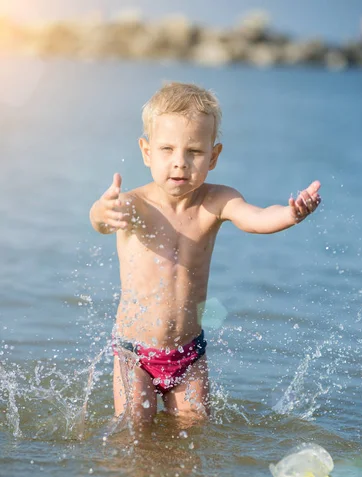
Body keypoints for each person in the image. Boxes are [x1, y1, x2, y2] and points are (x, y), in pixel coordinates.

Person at [89, 82, 321, 423]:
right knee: (134, 430)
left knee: (195, 430)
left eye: (194, 152)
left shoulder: (217, 201)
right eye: (167, 149)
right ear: (147, 151)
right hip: (133, 353)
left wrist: (292, 213)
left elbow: (256, 219)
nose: (180, 163)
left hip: (189, 354)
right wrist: (103, 211)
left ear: (213, 156)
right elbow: (100, 218)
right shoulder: (134, 204)